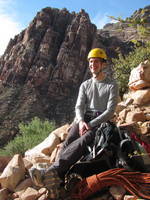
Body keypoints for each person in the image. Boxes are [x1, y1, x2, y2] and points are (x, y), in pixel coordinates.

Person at [29, 48, 119, 194]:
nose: (93, 64)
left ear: (103, 64)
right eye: (91, 61)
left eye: (96, 61)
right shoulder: (85, 85)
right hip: (84, 119)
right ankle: (57, 177)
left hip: (101, 122)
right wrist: (82, 121)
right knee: (69, 138)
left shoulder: (112, 85)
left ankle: (52, 170)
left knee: (85, 140)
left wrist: (90, 125)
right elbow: (79, 106)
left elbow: (110, 112)